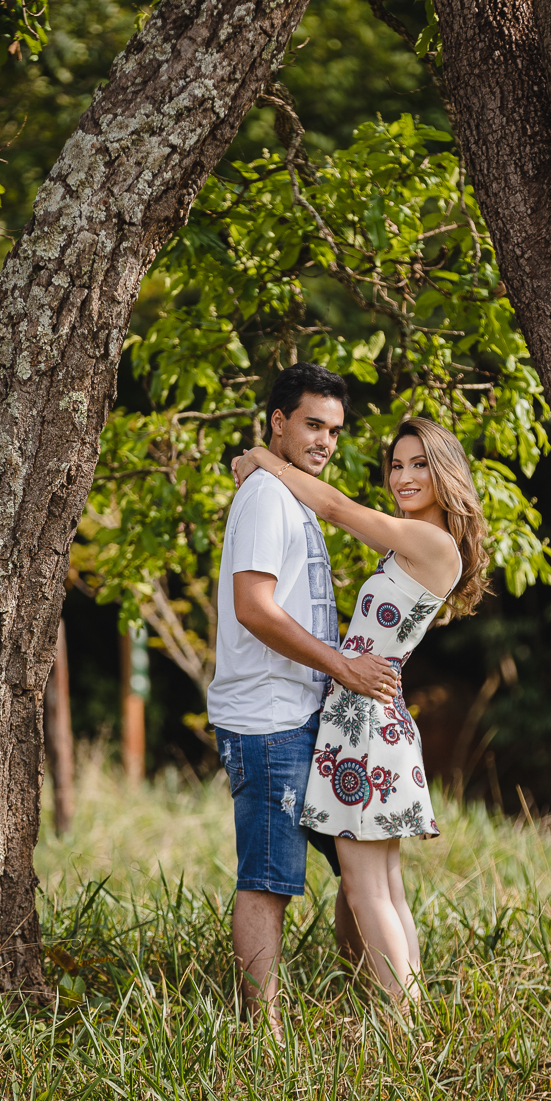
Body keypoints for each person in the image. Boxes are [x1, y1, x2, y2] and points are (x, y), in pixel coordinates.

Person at [232, 415, 489, 1006]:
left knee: (366, 889)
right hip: (369, 717)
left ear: (446, 473)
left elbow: (338, 509)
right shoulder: (416, 538)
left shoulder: (431, 542)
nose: (404, 476)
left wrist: (266, 461)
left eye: (420, 464)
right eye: (397, 465)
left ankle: (399, 1034)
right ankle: (413, 1024)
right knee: (385, 888)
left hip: (365, 726)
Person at [209, 363, 397, 1032]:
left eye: (334, 430)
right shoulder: (264, 498)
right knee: (268, 878)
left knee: (358, 862)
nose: (324, 440)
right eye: (312, 425)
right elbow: (254, 609)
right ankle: (262, 1037)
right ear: (279, 422)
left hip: (305, 717)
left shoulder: (292, 494)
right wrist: (341, 667)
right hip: (267, 722)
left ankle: (364, 1004)